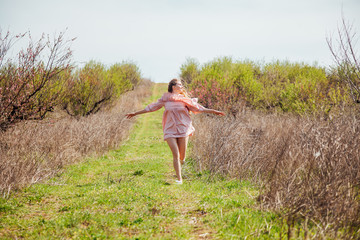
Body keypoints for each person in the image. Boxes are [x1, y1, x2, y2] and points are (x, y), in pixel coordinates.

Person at [126, 79, 225, 184]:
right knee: (176, 154)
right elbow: (150, 108)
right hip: (170, 129)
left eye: (182, 85)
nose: (182, 87)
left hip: (183, 128)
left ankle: (180, 167)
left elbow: (198, 108)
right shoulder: (165, 99)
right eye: (180, 85)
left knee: (182, 156)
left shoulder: (184, 100)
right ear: (173, 86)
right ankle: (179, 179)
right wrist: (135, 113)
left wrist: (213, 111)